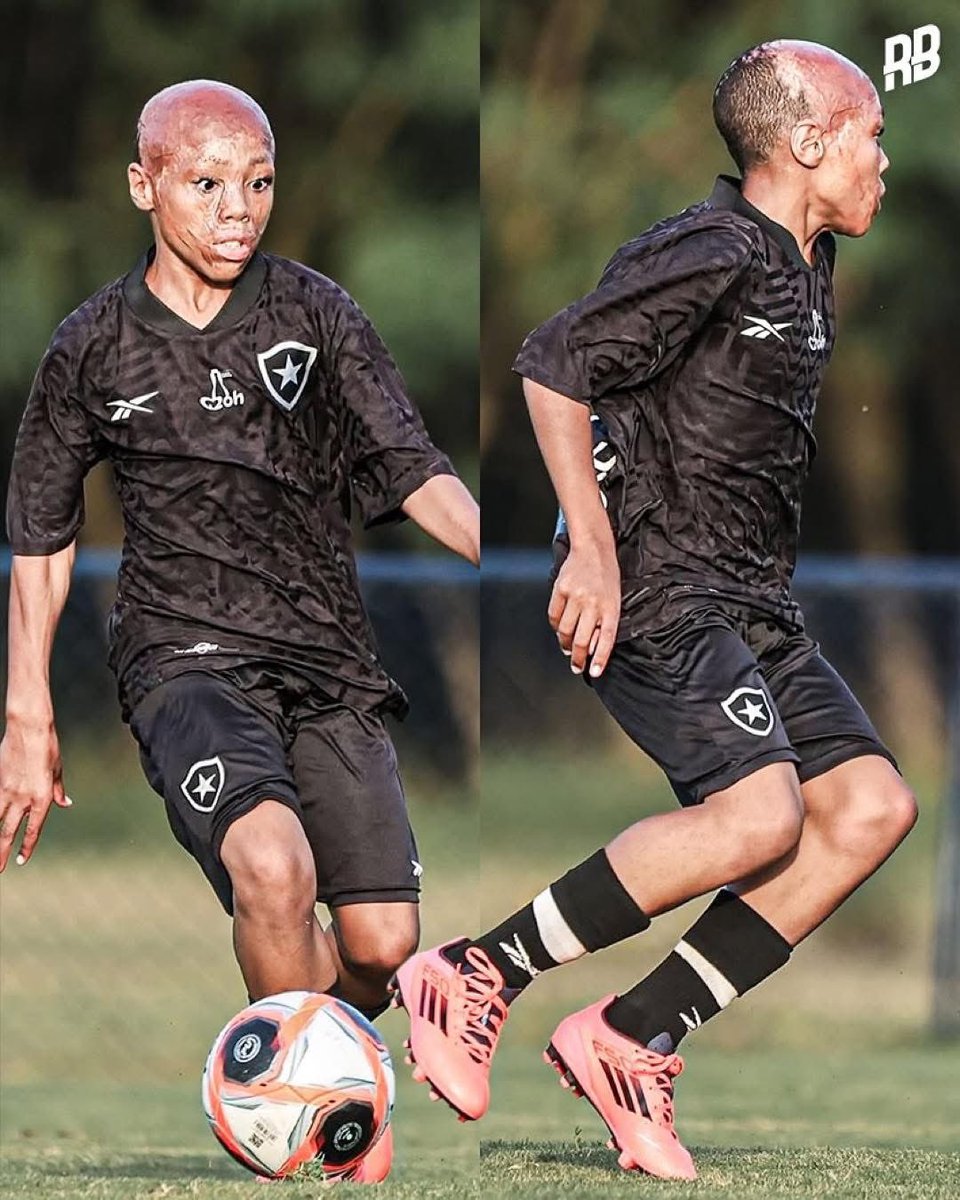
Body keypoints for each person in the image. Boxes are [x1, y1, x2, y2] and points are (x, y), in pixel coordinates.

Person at [393, 40, 916, 1180]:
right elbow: (552, 363)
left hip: (749, 600)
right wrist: (589, 541)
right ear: (807, 142)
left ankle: (632, 1036)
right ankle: (477, 970)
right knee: (758, 819)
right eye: (871, 131)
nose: (888, 153)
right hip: (657, 586)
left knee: (870, 806)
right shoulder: (715, 245)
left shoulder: (806, 261)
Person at [0, 80, 479, 1183]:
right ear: (144, 184)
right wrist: (28, 711)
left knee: (381, 946)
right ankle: (311, 1114)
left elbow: (414, 470)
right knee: (272, 869)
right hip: (184, 662)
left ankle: (325, 1067)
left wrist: (561, 560)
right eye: (207, 182)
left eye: (258, 183)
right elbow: (41, 534)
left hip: (330, 662)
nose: (237, 209)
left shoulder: (316, 313)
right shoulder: (93, 347)